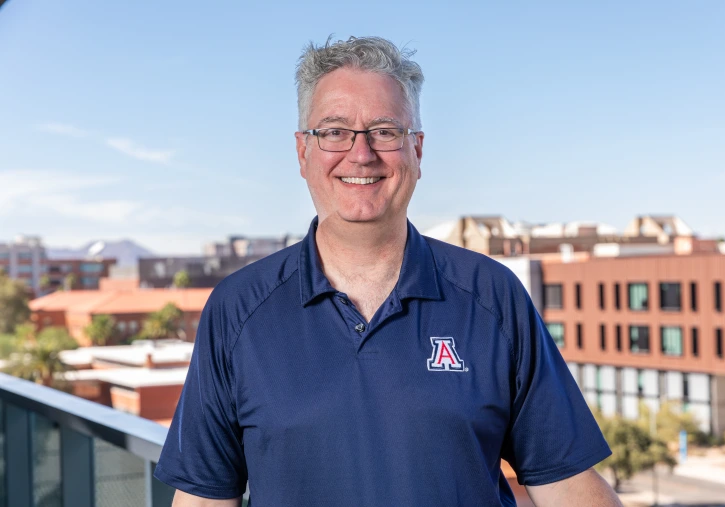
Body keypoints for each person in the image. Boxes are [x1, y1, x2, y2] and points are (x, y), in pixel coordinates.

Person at [154, 36, 623, 507]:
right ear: (302, 152)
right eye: (334, 132)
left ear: (417, 150)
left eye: (384, 131)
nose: (361, 154)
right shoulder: (236, 311)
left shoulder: (493, 297)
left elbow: (568, 487)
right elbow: (203, 499)